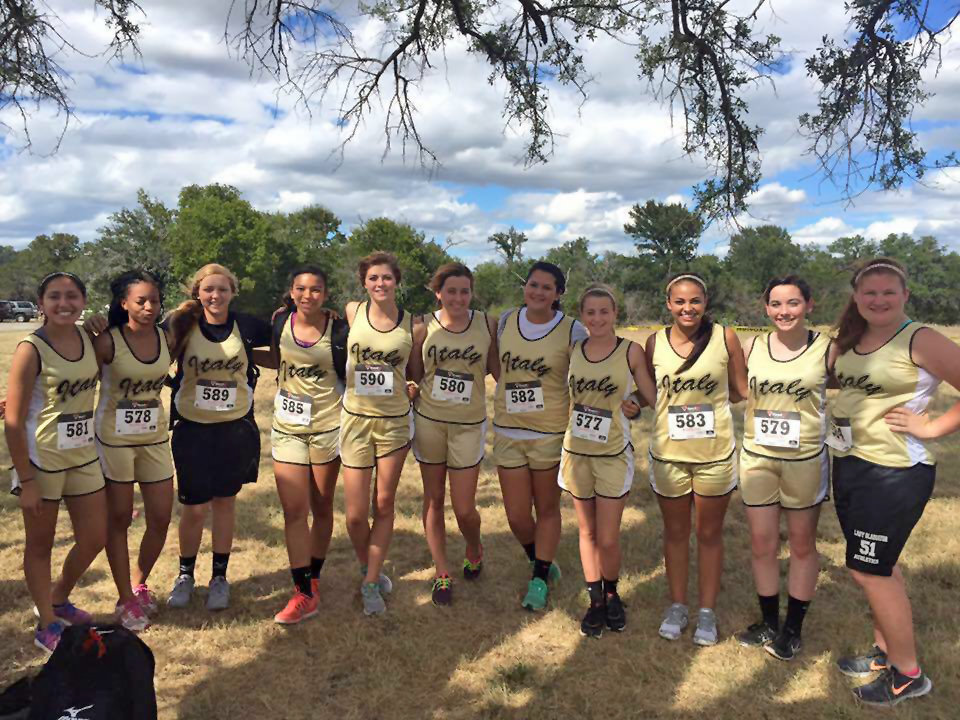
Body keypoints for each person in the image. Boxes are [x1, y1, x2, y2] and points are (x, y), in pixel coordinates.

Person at [827, 257, 960, 707]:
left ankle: (908, 674)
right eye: (869, 293)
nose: (878, 300)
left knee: (868, 569)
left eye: (888, 292)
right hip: (851, 463)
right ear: (857, 298)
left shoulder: (919, 338)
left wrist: (932, 427)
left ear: (905, 295)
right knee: (879, 566)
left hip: (894, 472)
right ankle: (885, 654)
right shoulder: (854, 337)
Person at [4, 272, 106, 653]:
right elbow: (13, 420)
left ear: (83, 300)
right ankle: (46, 622)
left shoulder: (91, 339)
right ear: (41, 303)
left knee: (95, 536)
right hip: (41, 460)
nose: (64, 303)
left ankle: (60, 596)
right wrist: (26, 479)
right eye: (54, 297)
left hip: (82, 456)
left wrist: (101, 326)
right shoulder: (31, 348)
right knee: (40, 545)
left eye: (73, 296)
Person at [646, 272, 747, 645]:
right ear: (669, 304)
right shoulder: (654, 343)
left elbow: (740, 391)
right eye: (680, 301)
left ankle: (706, 612)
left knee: (708, 534)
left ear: (706, 303)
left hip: (715, 455)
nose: (688, 308)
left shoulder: (725, 337)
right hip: (669, 455)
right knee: (675, 534)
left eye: (695, 301)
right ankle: (677, 605)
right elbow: (648, 392)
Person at [164, 264, 271, 611]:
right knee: (193, 509)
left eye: (222, 289)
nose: (215, 296)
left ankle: (219, 578)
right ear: (197, 292)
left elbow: (290, 332)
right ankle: (185, 576)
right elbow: (139, 341)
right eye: (209, 289)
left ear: (232, 292)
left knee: (225, 503)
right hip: (192, 429)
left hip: (234, 428)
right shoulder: (181, 325)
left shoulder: (247, 325)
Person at [734, 276, 831, 660]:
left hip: (804, 459)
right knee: (762, 543)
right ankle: (769, 622)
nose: (784, 311)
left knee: (803, 545)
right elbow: (735, 389)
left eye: (792, 303)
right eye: (776, 304)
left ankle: (793, 629)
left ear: (809, 304)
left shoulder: (828, 348)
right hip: (757, 457)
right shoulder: (751, 346)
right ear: (766, 308)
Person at [560, 284, 656, 637]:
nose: (597, 318)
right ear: (582, 316)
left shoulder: (629, 351)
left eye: (604, 311)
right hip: (577, 452)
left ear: (615, 313)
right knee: (586, 531)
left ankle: (613, 592)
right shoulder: (574, 349)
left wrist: (635, 405)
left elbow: (649, 395)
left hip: (613, 453)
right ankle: (595, 599)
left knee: (609, 535)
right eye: (590, 312)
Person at [493, 261, 586, 611]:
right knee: (517, 515)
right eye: (533, 284)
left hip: (549, 432)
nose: (538, 292)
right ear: (525, 287)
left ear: (559, 294)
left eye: (547, 287)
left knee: (547, 509)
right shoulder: (506, 320)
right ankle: (540, 559)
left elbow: (587, 373)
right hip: (507, 429)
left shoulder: (572, 330)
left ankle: (539, 578)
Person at [409, 263, 498, 606]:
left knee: (464, 509)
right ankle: (441, 571)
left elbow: (497, 369)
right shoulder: (423, 328)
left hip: (468, 424)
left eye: (464, 291)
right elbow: (415, 373)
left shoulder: (486, 324)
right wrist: (410, 387)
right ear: (438, 293)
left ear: (471, 293)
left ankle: (474, 546)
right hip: (430, 421)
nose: (458, 298)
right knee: (432, 500)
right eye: (451, 291)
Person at [93, 271, 174, 632]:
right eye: (140, 300)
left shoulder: (166, 337)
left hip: (154, 438)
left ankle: (139, 584)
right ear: (123, 303)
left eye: (154, 300)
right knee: (120, 518)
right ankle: (125, 597)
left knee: (159, 516)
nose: (148, 307)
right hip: (114, 440)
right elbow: (75, 379)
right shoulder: (107, 341)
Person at [266, 265, 347, 624]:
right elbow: (271, 355)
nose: (307, 295)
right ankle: (302, 592)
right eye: (301, 288)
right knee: (294, 510)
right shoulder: (281, 321)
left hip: (328, 427)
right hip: (287, 428)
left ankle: (314, 577)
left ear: (326, 294)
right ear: (292, 291)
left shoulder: (339, 329)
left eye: (315, 289)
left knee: (322, 506)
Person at [341, 251, 418, 616]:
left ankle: (371, 582)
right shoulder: (352, 312)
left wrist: (414, 385)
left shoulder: (412, 325)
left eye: (386, 278)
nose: (380, 284)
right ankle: (366, 562)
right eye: (373, 278)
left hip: (394, 424)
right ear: (364, 283)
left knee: (383, 504)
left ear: (396, 281)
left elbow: (414, 371)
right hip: (355, 420)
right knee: (355, 515)